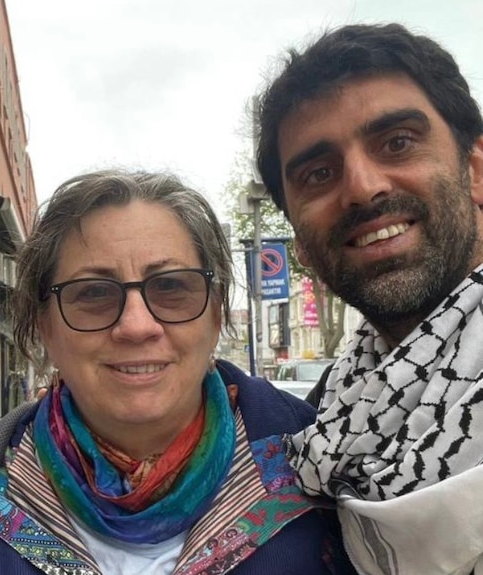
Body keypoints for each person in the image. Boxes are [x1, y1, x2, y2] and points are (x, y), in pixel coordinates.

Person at [0, 169, 354, 574]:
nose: (137, 326)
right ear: (44, 327)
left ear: (215, 314)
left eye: (172, 287)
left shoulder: (324, 466)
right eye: (93, 293)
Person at [256, 22, 483, 575]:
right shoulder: (328, 406)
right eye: (319, 173)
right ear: (301, 245)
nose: (361, 187)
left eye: (397, 142)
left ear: (476, 170)